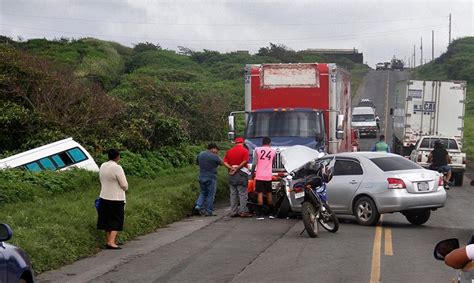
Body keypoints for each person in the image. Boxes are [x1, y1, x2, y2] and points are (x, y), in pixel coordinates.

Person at [97, 149, 128, 250]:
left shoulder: (103, 165)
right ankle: (112, 242)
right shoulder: (117, 167)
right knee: (117, 219)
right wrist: (125, 188)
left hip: (104, 196)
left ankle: (108, 241)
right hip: (116, 198)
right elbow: (124, 185)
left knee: (107, 219)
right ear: (117, 157)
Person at [194, 143, 233, 217]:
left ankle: (198, 205)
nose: (217, 151)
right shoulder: (214, 156)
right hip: (211, 177)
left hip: (201, 176)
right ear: (212, 148)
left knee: (203, 192)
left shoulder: (200, 154)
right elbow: (222, 163)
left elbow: (197, 163)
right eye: (216, 150)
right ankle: (209, 211)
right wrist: (231, 168)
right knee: (210, 195)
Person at [224, 137, 252, 218]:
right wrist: (237, 168)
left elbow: (225, 162)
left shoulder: (229, 151)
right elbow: (245, 161)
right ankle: (243, 211)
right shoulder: (245, 151)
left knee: (233, 194)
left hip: (231, 173)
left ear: (235, 143)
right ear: (242, 143)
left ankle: (233, 212)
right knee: (242, 193)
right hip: (241, 174)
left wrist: (231, 168)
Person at [251, 137, 276, 220]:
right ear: (269, 143)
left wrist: (252, 174)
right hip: (268, 175)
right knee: (269, 193)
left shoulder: (257, 150)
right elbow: (273, 162)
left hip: (259, 175)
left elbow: (254, 163)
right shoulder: (273, 151)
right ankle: (272, 213)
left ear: (262, 142)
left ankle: (260, 214)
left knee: (260, 193)